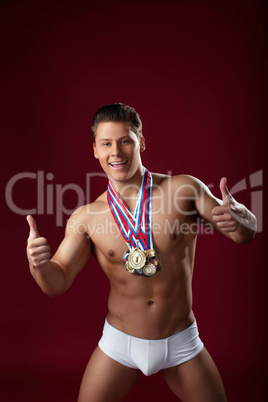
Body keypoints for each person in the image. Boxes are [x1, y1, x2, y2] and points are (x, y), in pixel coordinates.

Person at [26, 103, 256, 402]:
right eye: (106, 143)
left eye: (125, 141)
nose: (116, 152)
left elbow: (243, 235)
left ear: (141, 142)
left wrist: (243, 217)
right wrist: (38, 265)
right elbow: (55, 283)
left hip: (181, 341)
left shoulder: (183, 190)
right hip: (120, 343)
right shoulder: (86, 217)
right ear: (95, 149)